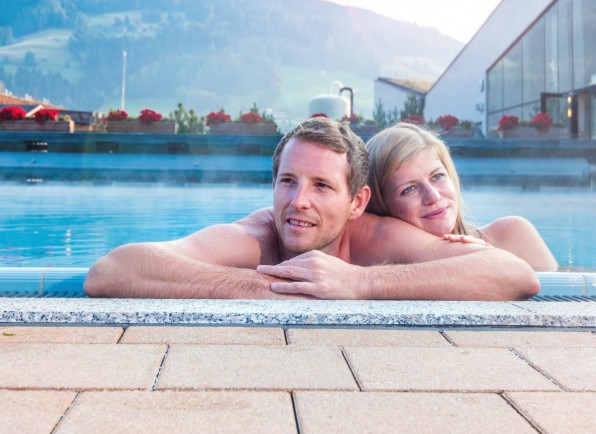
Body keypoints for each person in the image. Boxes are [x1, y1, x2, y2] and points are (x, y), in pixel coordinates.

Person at [84, 117, 541, 300]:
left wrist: (361, 282)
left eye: (322, 185)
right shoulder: (258, 236)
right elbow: (111, 270)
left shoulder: (378, 238)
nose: (297, 201)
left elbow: (517, 274)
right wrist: (268, 287)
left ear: (357, 203)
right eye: (288, 181)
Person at [366, 123, 558, 271]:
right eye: (409, 189)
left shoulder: (511, 235)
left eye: (437, 176)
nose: (433, 196)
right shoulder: (379, 272)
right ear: (381, 205)